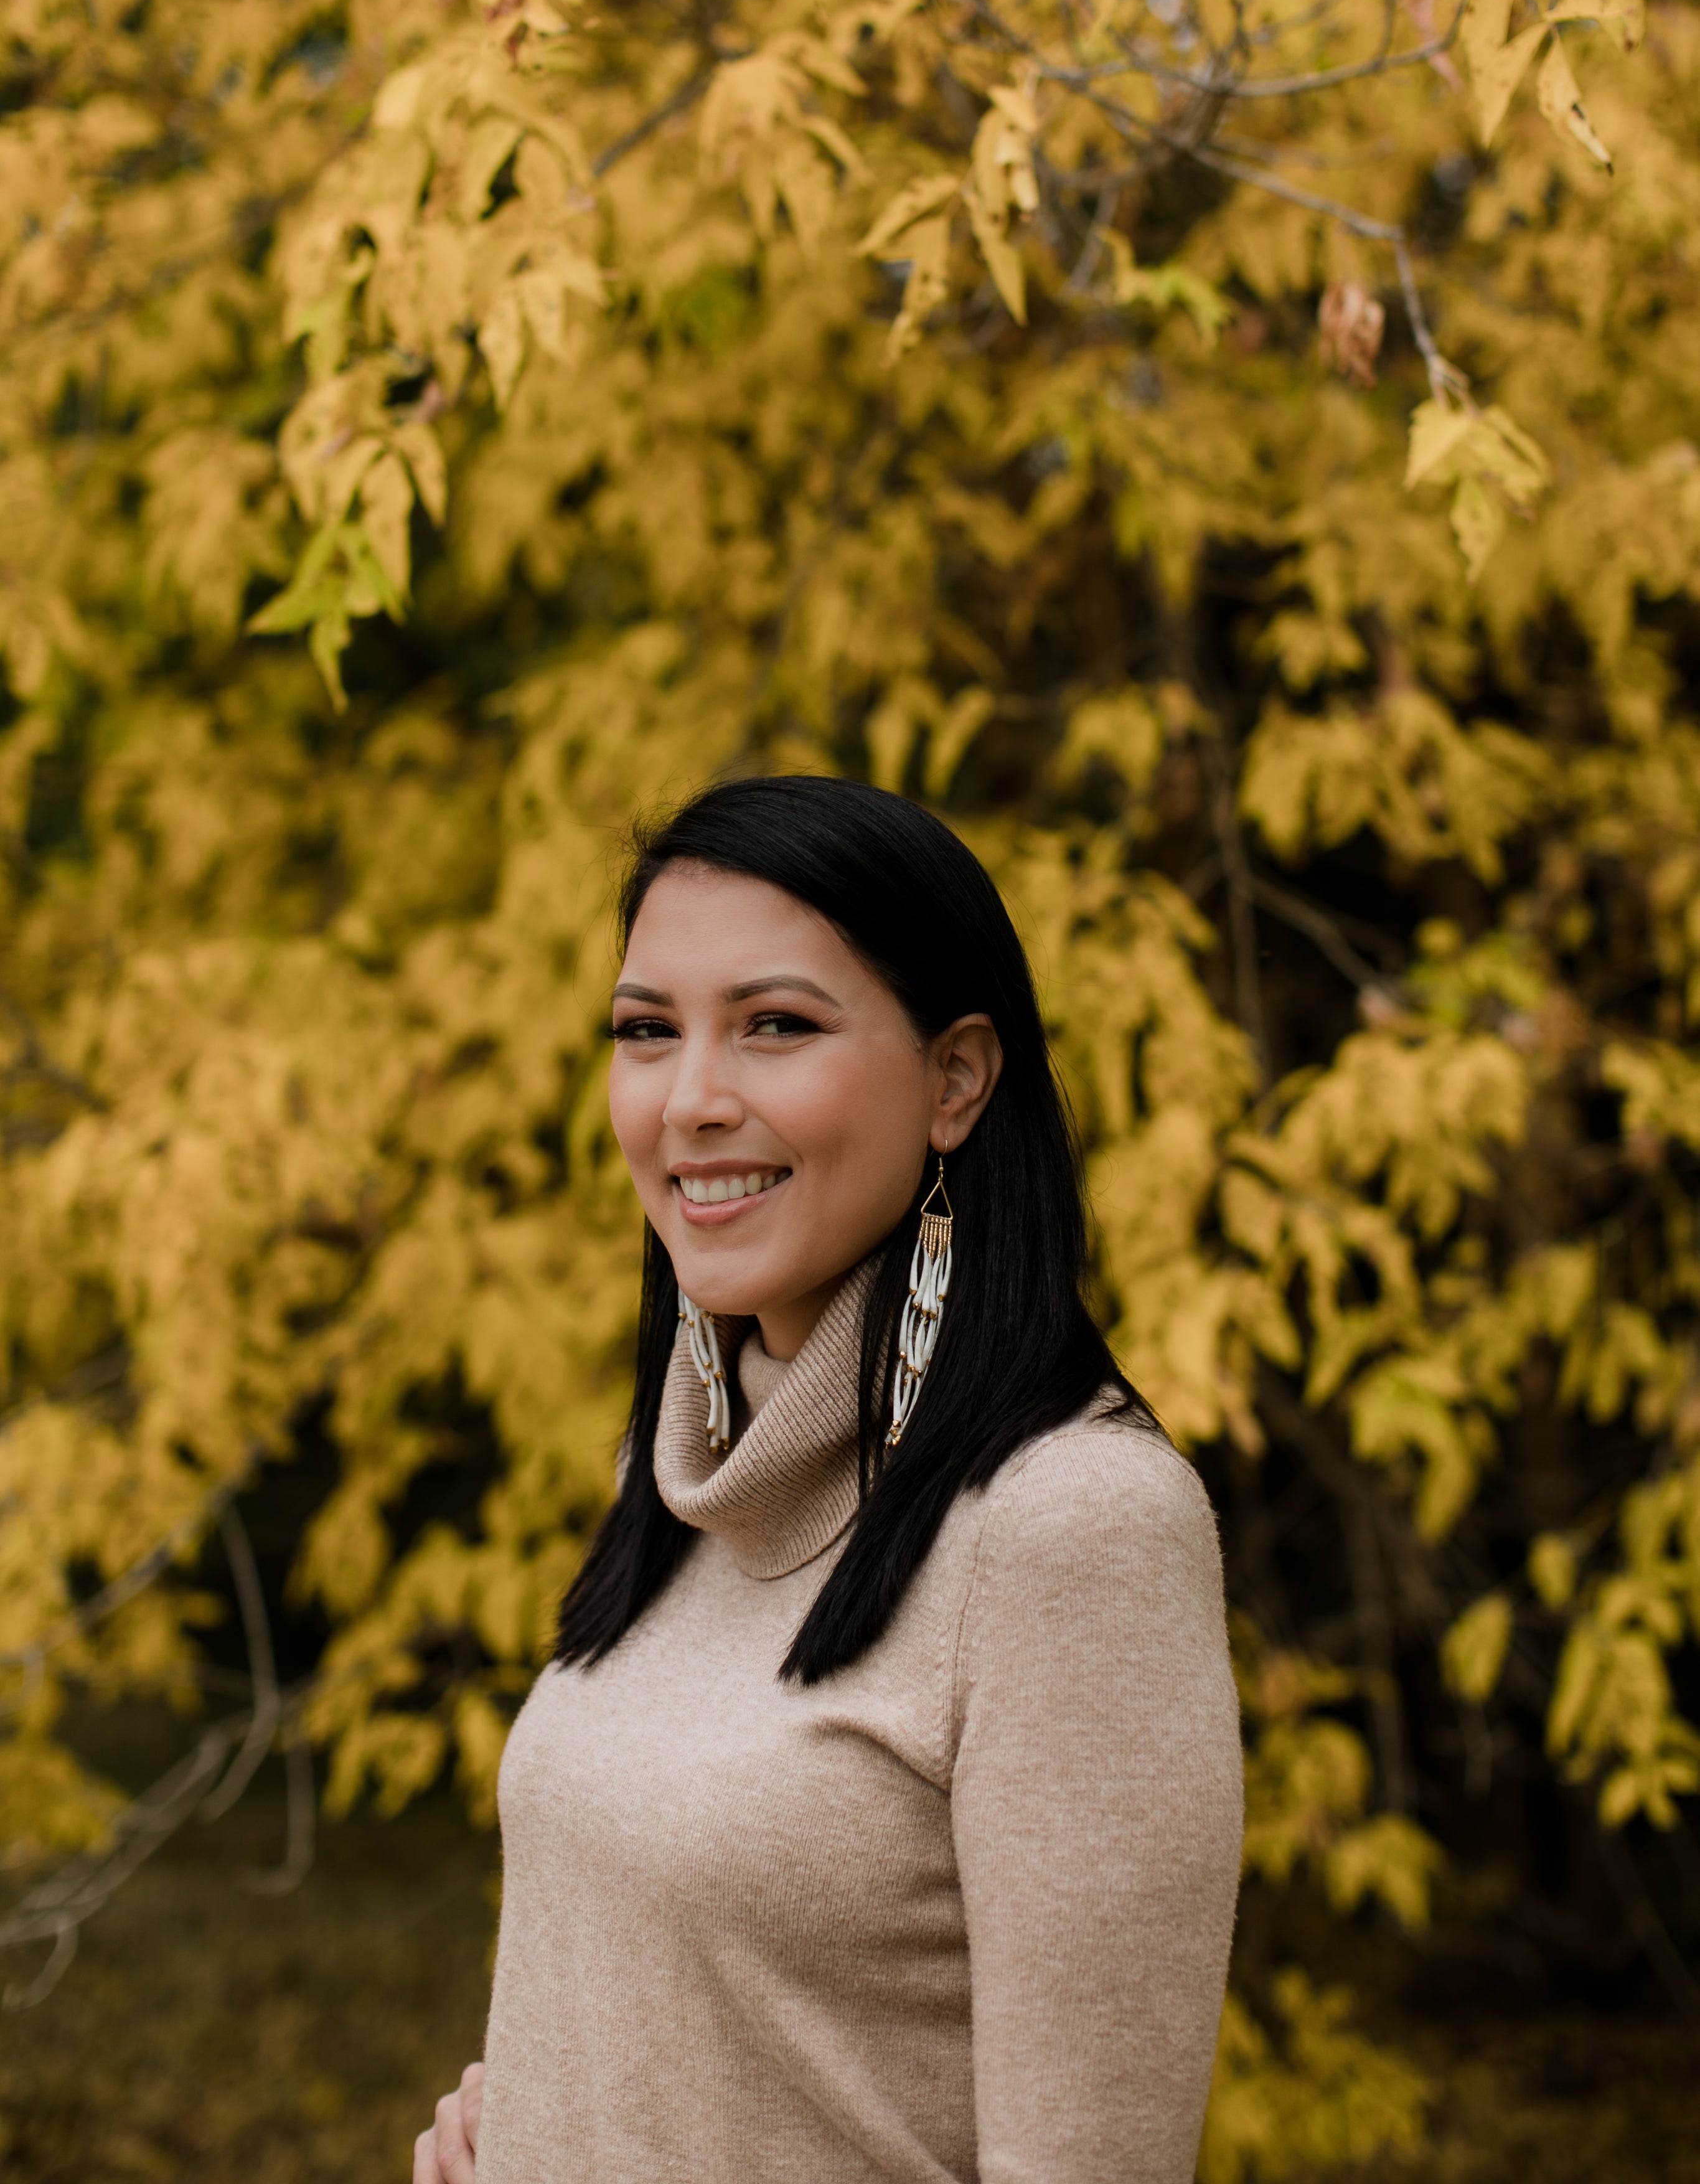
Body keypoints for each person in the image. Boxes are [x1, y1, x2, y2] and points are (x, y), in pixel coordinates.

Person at [416, 776, 1242, 2184]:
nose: (691, 1101)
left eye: (777, 1025)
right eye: (646, 1031)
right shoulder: (684, 1474)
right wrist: (549, 2111)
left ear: (955, 1079)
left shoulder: (1071, 1529)